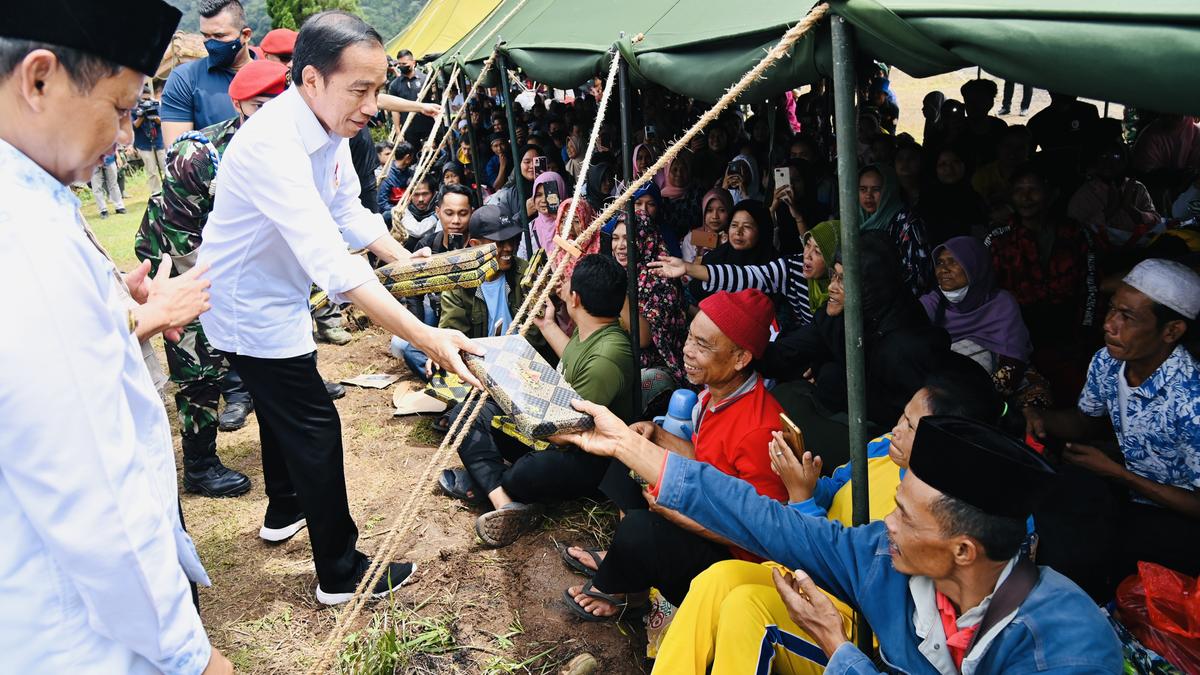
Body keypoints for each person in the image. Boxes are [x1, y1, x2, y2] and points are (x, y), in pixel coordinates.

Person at [197, 11, 482, 605]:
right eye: (361, 89)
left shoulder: (328, 132)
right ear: (310, 81)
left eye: (378, 89)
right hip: (249, 305)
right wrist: (427, 338)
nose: (374, 104)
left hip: (275, 295)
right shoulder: (273, 144)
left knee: (286, 414)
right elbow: (335, 264)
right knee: (314, 424)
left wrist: (411, 264)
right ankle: (340, 572)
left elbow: (350, 214)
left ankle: (284, 511)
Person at [0, 1, 237, 671]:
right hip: (77, 634)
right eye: (122, 109)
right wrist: (192, 653)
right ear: (39, 79)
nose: (128, 139)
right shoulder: (25, 242)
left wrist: (109, 310)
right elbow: (95, 496)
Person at [558, 403, 1122, 673]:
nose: (886, 526)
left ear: (963, 551)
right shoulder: (884, 556)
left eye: (904, 516)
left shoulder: (1066, 645)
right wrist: (635, 451)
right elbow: (767, 520)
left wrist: (841, 653)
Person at [652, 364, 1003, 674]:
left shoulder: (942, 509)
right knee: (716, 579)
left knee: (746, 608)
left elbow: (870, 572)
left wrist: (802, 501)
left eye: (910, 426)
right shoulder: (882, 448)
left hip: (852, 614)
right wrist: (805, 483)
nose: (896, 429)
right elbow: (834, 487)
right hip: (807, 569)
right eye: (902, 417)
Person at [562, 289, 790, 620]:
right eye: (689, 338)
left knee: (645, 527)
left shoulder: (760, 431)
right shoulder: (719, 394)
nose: (687, 351)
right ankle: (625, 563)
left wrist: (676, 515)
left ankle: (626, 591)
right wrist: (660, 437)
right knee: (629, 455)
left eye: (703, 345)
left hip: (733, 560)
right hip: (708, 508)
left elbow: (760, 533)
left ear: (741, 358)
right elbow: (707, 459)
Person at [134, 58, 292, 498]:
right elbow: (181, 242)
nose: (273, 117)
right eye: (262, 106)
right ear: (241, 106)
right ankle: (200, 465)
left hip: (232, 260)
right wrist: (216, 294)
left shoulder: (284, 148)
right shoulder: (199, 154)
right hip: (177, 261)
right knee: (198, 359)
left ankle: (246, 399)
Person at [440, 255, 636, 547]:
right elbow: (572, 358)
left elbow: (565, 434)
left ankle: (492, 482)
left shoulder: (607, 355)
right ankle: (504, 502)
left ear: (575, 298)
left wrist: (511, 392)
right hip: (558, 431)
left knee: (525, 473)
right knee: (466, 412)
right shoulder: (593, 329)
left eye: (567, 282)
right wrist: (546, 324)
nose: (562, 286)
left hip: (588, 456)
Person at [1026, 259, 1200, 585]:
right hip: (1125, 488)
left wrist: (1119, 474)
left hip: (1175, 516)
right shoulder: (1107, 361)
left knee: (1095, 556)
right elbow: (1084, 422)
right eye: (1111, 310)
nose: (1109, 325)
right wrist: (1037, 417)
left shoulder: (1192, 401)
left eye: (1128, 317)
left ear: (1171, 331)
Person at [762, 235, 950, 469]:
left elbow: (908, 424)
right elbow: (786, 353)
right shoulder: (842, 317)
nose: (831, 286)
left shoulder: (905, 344)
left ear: (870, 286)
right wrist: (737, 348)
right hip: (848, 415)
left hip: (883, 443)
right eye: (834, 274)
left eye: (843, 280)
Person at [985, 163, 1098, 402]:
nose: (1026, 197)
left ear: (1051, 194)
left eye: (1033, 189)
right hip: (1016, 337)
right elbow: (987, 292)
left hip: (1066, 336)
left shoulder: (1075, 233)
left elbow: (1089, 287)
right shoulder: (998, 237)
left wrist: (1084, 333)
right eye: (1019, 190)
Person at [655, 219, 839, 331]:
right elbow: (746, 276)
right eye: (807, 245)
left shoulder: (846, 284)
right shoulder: (793, 267)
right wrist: (687, 267)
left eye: (818, 251)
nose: (807, 255)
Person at [920, 237, 1033, 391]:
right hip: (945, 390)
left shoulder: (1001, 304)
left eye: (953, 261)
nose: (943, 269)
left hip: (993, 390)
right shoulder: (933, 302)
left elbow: (1014, 364)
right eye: (939, 263)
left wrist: (979, 397)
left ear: (975, 266)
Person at [608, 211, 688, 403]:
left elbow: (643, 338)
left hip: (657, 365)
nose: (620, 246)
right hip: (621, 357)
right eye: (615, 238)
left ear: (646, 240)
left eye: (628, 239)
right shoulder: (618, 273)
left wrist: (617, 291)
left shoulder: (661, 279)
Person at [160, 0, 255, 147]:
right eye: (206, 35)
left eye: (219, 36)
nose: (211, 43)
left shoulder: (276, 76)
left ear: (246, 35)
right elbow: (178, 157)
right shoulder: (185, 80)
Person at [1068, 141, 1163, 249]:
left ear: (1124, 161)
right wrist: (1109, 211)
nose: (1109, 162)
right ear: (1096, 161)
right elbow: (1075, 232)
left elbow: (1157, 222)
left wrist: (1131, 208)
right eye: (1103, 156)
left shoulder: (1137, 188)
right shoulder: (1084, 195)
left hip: (1140, 250)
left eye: (1116, 156)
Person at [858, 164, 933, 297]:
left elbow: (918, 278)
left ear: (889, 190)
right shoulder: (855, 219)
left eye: (876, 189)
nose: (868, 195)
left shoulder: (908, 223)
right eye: (863, 189)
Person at [918, 145, 987, 245]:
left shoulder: (973, 196)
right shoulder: (927, 199)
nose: (949, 168)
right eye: (942, 164)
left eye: (956, 162)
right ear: (934, 169)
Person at [679, 187, 732, 264]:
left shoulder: (735, 238)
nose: (715, 216)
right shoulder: (692, 238)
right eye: (709, 210)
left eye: (722, 210)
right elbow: (688, 272)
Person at [132, 79, 165, 194]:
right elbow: (133, 126)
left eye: (147, 99)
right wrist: (141, 116)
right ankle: (156, 192)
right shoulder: (133, 108)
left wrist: (154, 116)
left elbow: (163, 122)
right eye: (143, 99)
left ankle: (170, 189)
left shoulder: (155, 104)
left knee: (165, 167)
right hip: (143, 144)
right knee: (151, 171)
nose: (146, 102)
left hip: (159, 142)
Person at [530, 170, 566, 253]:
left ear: (560, 192)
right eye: (538, 195)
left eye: (549, 194)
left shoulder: (574, 220)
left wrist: (560, 221)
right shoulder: (532, 228)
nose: (544, 200)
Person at [90, 151, 126, 217]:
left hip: (109, 159)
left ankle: (119, 207)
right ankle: (103, 210)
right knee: (96, 187)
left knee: (114, 184)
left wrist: (118, 157)